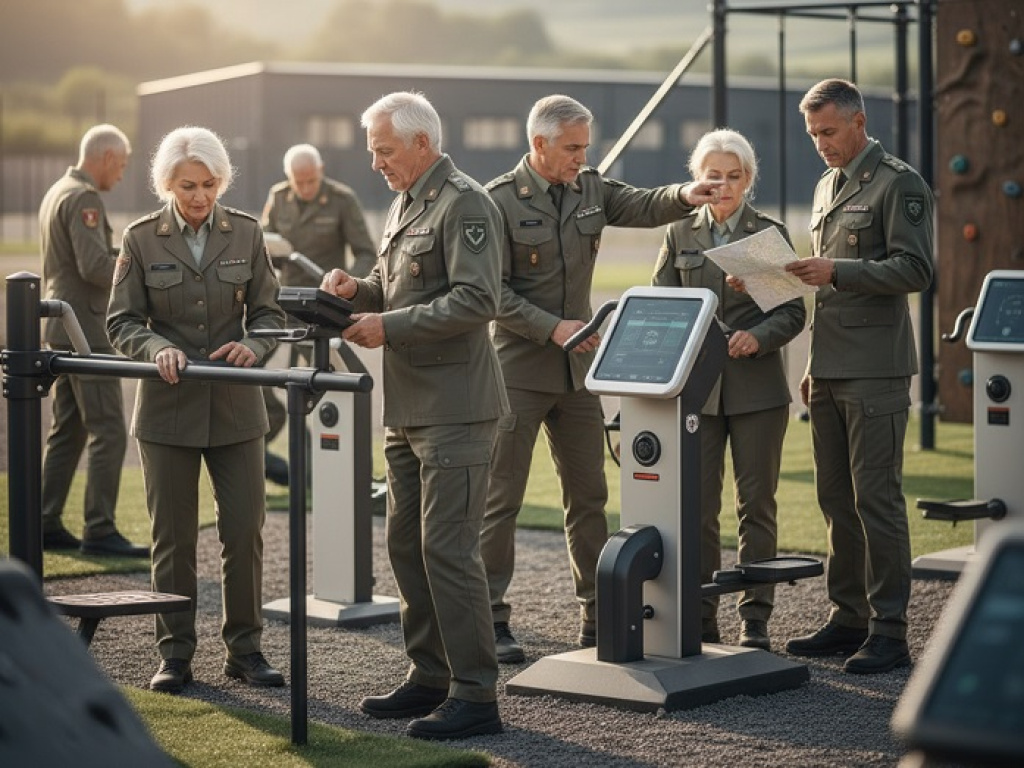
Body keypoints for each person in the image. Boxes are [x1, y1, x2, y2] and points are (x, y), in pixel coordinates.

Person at [479, 94, 725, 663]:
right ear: (538, 144)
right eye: (572, 147)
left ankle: (598, 612)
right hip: (518, 369)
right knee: (501, 499)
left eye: (585, 146)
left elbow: (639, 204)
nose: (581, 157)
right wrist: (552, 328)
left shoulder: (589, 186)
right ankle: (489, 617)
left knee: (588, 496)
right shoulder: (496, 202)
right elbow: (490, 292)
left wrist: (687, 195)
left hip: (578, 374)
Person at [320, 91, 508, 740]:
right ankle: (430, 675)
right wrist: (356, 291)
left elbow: (477, 300)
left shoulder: (465, 203)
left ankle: (476, 695)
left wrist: (387, 324)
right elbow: (394, 287)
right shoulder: (407, 199)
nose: (375, 162)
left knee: (447, 549)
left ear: (421, 144)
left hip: (456, 408)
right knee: (406, 545)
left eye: (384, 149)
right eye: (373, 150)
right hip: (408, 408)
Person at [107, 126, 287, 694]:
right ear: (167, 183)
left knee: (244, 533)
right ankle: (176, 655)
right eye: (188, 186)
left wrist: (255, 347)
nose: (199, 197)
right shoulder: (139, 240)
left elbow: (268, 314)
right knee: (174, 538)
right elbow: (120, 322)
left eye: (209, 184)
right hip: (167, 412)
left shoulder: (248, 234)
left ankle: (246, 651)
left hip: (236, 407)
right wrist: (153, 347)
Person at [782, 78, 934, 674]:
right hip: (832, 369)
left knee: (877, 501)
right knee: (835, 501)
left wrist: (837, 270)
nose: (821, 144)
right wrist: (815, 366)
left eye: (828, 131)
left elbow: (916, 268)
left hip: (876, 372)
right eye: (813, 134)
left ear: (858, 121)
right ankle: (847, 619)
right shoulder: (827, 185)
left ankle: (890, 631)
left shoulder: (900, 182)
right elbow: (825, 284)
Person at [651, 129, 806, 651]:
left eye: (734, 176)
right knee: (697, 508)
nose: (722, 184)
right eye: (713, 174)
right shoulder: (678, 233)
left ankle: (755, 620)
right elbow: (660, 306)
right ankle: (699, 618)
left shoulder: (768, 234)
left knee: (756, 506)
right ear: (698, 177)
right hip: (697, 392)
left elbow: (791, 312)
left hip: (758, 391)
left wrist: (757, 337)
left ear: (748, 181)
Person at [38, 124, 148, 557]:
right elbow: (94, 266)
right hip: (85, 328)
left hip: (60, 324)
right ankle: (99, 529)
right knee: (108, 431)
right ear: (105, 158)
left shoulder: (56, 191)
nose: (120, 175)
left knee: (68, 430)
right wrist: (138, 273)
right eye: (120, 166)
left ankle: (45, 522)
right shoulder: (84, 197)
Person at [259, 144, 376, 485]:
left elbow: (366, 252)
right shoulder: (278, 198)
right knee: (249, 363)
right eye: (299, 181)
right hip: (285, 304)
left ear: (321, 170)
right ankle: (270, 424)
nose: (306, 187)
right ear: (288, 178)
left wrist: (348, 288)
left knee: (326, 383)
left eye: (311, 180)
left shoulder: (342, 199)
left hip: (323, 306)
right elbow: (266, 246)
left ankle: (342, 470)